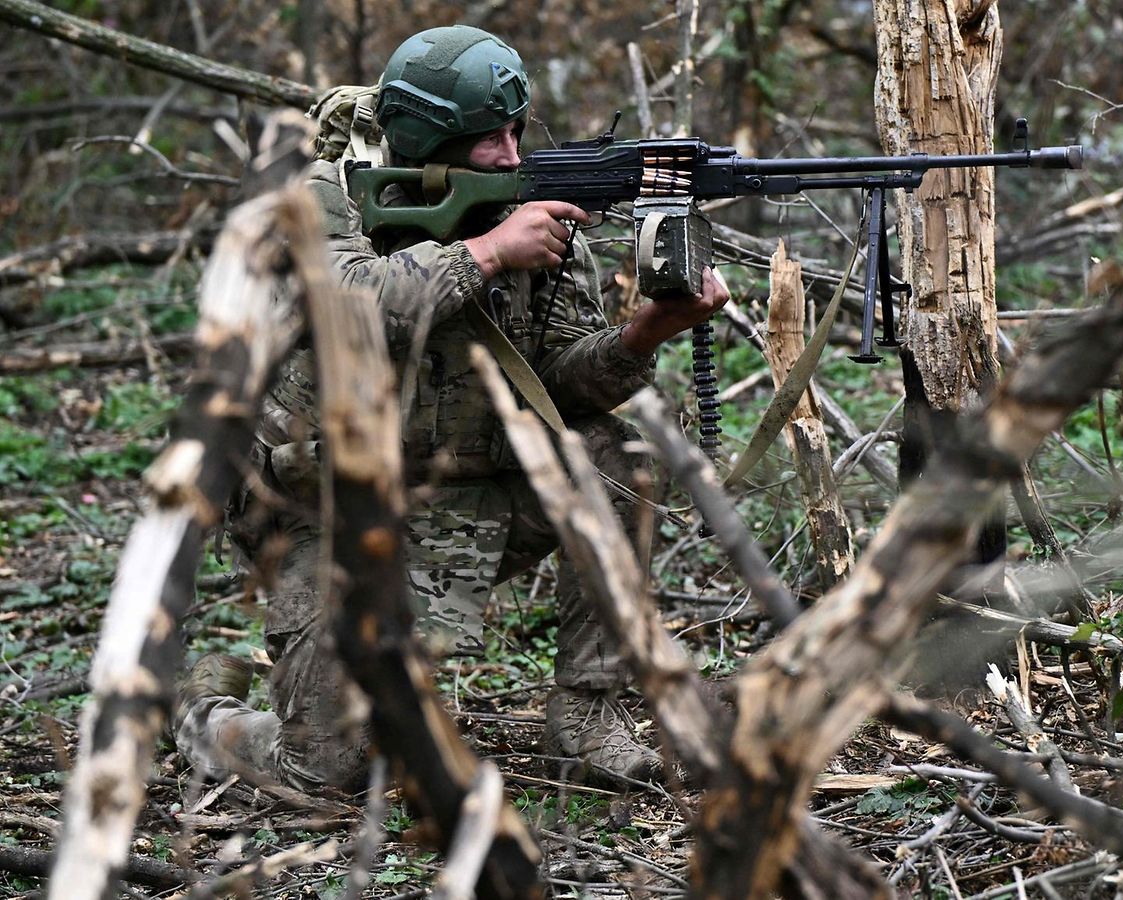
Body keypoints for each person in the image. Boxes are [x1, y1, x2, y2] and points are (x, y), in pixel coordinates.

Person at [172, 25, 729, 792]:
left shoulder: (527, 207)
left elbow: (558, 388)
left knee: (612, 456)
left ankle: (587, 714)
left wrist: (641, 334)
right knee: (327, 773)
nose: (508, 155)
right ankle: (206, 705)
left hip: (469, 494)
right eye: (484, 140)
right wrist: (490, 252)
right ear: (425, 143)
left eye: (514, 131)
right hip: (327, 513)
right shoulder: (314, 200)